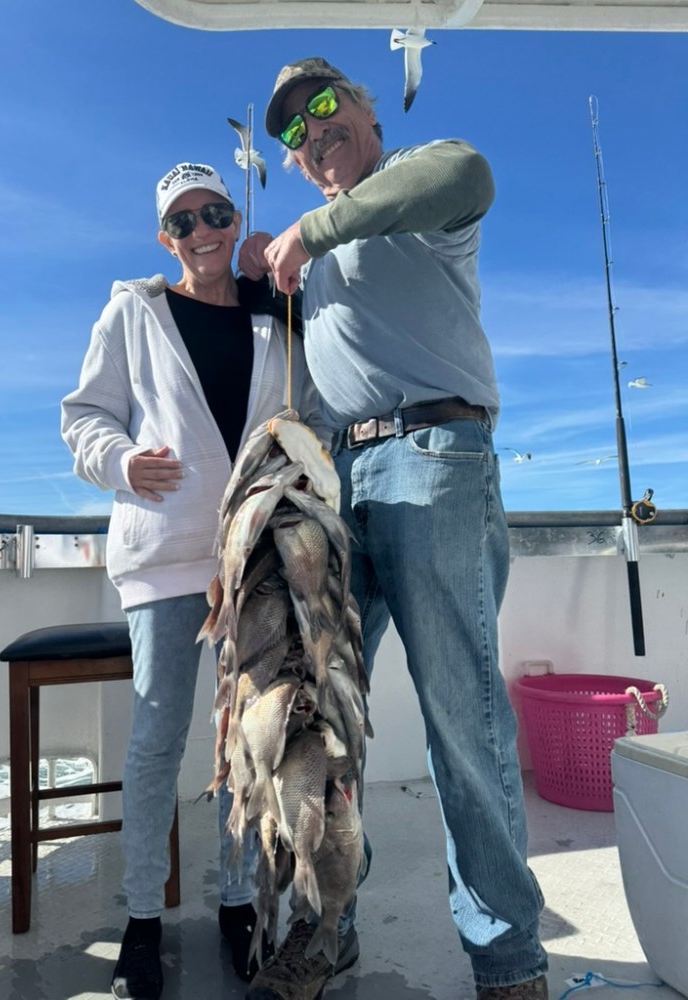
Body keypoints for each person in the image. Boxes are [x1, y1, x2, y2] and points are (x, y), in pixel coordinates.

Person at [238, 58, 549, 1000]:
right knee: (318, 722)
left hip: (434, 458)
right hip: (337, 485)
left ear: (369, 113)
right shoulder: (315, 262)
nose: (313, 132)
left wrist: (306, 230)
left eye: (327, 108)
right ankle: (327, 929)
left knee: (464, 720)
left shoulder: (419, 180)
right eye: (295, 131)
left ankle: (507, 962)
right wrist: (236, 261)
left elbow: (471, 179)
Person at [61, 160, 322, 1000]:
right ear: (163, 237)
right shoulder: (131, 311)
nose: (202, 231)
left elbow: (313, 408)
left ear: (235, 215)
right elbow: (85, 415)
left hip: (258, 560)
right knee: (157, 739)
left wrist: (282, 282)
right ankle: (142, 918)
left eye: (215, 213)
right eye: (183, 221)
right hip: (165, 562)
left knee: (248, 743)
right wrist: (123, 462)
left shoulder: (273, 317)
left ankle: (238, 902)